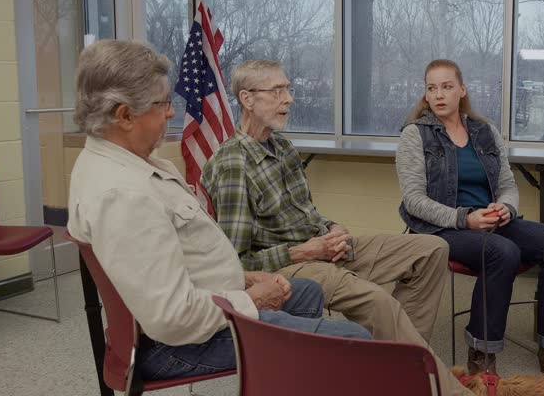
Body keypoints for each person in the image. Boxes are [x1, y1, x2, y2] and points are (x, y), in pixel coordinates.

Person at [67, 41, 370, 382]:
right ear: (124, 115)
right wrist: (249, 301)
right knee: (355, 342)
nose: (171, 112)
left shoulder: (126, 163)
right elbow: (172, 318)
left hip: (198, 308)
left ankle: (289, 376)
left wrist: (240, 279)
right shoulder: (122, 196)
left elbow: (171, 262)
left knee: (306, 291)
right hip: (179, 343)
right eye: (163, 103)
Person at [200, 60, 472, 395]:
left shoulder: (281, 146)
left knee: (432, 249)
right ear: (247, 99)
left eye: (288, 89)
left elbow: (306, 212)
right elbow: (235, 263)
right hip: (291, 265)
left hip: (321, 247)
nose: (289, 99)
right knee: (377, 301)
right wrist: (304, 251)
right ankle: (445, 390)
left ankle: (397, 374)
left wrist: (332, 227)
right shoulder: (233, 165)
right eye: (278, 91)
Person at [395, 59, 544, 375]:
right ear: (426, 95)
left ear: (462, 90)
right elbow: (414, 201)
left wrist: (504, 209)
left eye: (447, 86)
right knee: (501, 253)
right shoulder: (415, 135)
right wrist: (466, 218)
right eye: (432, 88)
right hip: (442, 227)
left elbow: (507, 184)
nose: (439, 94)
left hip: (491, 221)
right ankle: (481, 352)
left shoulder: (485, 131)